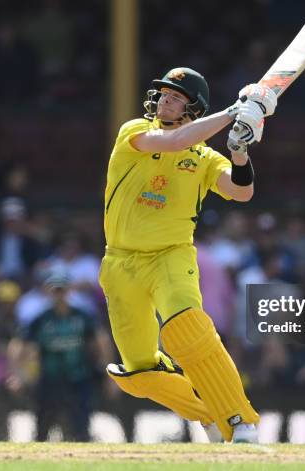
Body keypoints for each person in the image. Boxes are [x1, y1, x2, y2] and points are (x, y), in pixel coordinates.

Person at [99, 66, 277, 443]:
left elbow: (241, 192)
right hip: (120, 263)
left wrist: (239, 151)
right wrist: (235, 111)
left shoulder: (204, 159)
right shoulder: (133, 132)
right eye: (164, 93)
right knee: (139, 373)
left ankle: (241, 422)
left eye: (176, 97)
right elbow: (172, 142)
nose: (165, 99)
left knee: (186, 328)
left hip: (171, 256)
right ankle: (208, 413)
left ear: (193, 107)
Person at [9, 272, 111, 441]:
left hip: (78, 378)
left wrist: (107, 371)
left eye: (62, 290)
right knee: (43, 427)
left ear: (69, 291)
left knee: (81, 427)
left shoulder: (81, 316)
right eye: (55, 290)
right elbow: (19, 344)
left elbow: (100, 340)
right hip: (49, 379)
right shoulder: (41, 318)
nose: (59, 294)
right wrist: (17, 375)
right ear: (48, 292)